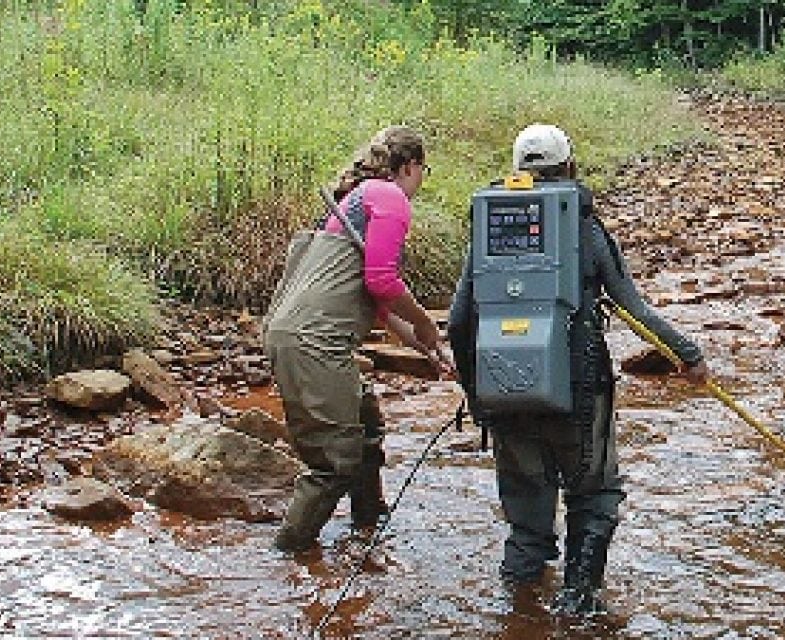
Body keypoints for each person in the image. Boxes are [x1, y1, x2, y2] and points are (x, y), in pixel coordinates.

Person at [447, 123, 709, 613]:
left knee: (526, 518)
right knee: (595, 494)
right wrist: (689, 356)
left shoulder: (487, 225)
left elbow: (459, 321)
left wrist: (477, 395)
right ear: (570, 167)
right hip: (578, 388)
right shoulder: (583, 226)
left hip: (502, 392)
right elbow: (636, 307)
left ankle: (518, 614)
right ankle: (577, 604)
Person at [264, 126, 454, 553]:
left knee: (366, 424)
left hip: (295, 334)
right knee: (334, 461)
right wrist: (426, 321)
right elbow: (383, 280)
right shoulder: (390, 199)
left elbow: (377, 306)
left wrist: (426, 347)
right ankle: (289, 553)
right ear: (410, 166)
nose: (423, 178)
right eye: (425, 169)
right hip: (314, 342)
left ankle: (368, 523)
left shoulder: (354, 203)